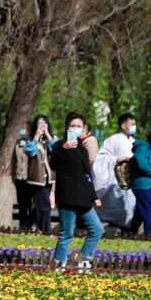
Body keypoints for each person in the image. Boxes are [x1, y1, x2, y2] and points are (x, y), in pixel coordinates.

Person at [50, 113, 103, 271]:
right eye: (72, 126)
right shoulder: (59, 145)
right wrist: (64, 149)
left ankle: (85, 258)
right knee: (67, 233)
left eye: (79, 126)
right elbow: (54, 164)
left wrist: (94, 197)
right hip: (67, 197)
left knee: (97, 229)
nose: (75, 129)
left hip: (83, 198)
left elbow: (86, 175)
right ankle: (59, 264)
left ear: (84, 129)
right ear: (67, 127)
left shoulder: (83, 148)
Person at [12, 116, 54, 234]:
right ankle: (44, 229)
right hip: (36, 178)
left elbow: (56, 149)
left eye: (44, 123)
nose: (42, 126)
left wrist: (48, 135)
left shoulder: (51, 139)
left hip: (49, 178)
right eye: (39, 124)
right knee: (40, 205)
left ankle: (43, 227)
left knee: (45, 204)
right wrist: (36, 136)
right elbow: (30, 151)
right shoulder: (31, 140)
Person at [95, 114, 135, 231]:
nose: (134, 127)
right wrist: (115, 159)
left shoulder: (134, 141)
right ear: (123, 125)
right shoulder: (113, 140)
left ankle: (127, 228)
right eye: (132, 124)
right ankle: (113, 225)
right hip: (116, 179)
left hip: (130, 180)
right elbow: (101, 158)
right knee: (114, 204)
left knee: (129, 205)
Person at [129, 122, 151, 239]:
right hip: (141, 183)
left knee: (140, 210)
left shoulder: (149, 150)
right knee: (149, 210)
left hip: (146, 183)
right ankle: (150, 235)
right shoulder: (142, 148)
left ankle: (131, 233)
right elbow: (141, 165)